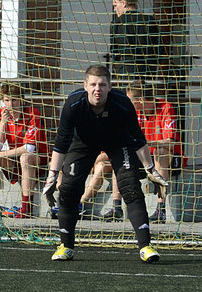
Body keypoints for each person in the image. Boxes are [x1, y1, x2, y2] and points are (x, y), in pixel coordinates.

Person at [42, 65, 168, 263]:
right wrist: (52, 175)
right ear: (85, 86)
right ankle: (66, 246)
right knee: (68, 189)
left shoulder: (123, 104)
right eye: (93, 84)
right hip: (83, 144)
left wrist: (150, 169)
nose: (97, 89)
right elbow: (61, 143)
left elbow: (137, 139)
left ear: (110, 87)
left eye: (102, 84)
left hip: (118, 143)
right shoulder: (73, 104)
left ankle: (146, 246)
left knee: (131, 187)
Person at [0, 83, 48, 218]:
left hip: (38, 159)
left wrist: (0, 154)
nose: (10, 104)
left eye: (14, 100)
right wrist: (3, 123)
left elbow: (29, 148)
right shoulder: (1, 114)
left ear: (21, 99)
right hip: (15, 158)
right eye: (7, 100)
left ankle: (27, 208)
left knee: (25, 157)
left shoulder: (32, 113)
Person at [125, 80, 185, 223]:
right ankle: (118, 207)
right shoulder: (134, 112)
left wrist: (147, 143)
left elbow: (171, 142)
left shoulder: (166, 107)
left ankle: (161, 209)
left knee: (160, 152)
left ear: (140, 100)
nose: (128, 103)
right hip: (144, 157)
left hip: (171, 158)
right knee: (121, 156)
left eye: (130, 100)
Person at [109, 0, 161, 79]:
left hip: (126, 72)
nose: (114, 9)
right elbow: (159, 49)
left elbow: (114, 51)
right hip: (148, 71)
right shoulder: (150, 20)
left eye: (115, 6)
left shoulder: (117, 23)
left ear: (124, 3)